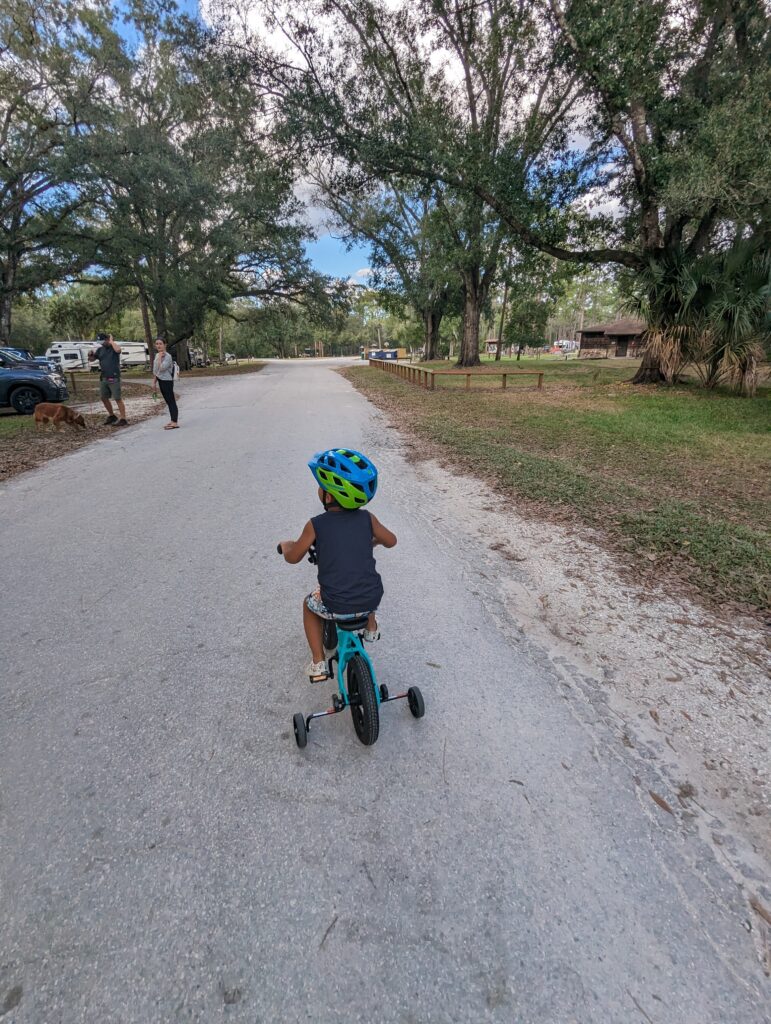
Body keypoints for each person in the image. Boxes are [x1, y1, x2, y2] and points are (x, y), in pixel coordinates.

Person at [278, 448, 397, 682]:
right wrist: (370, 542)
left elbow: (294, 556)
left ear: (329, 497)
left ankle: (318, 662)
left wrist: (286, 546)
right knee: (365, 579)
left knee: (309, 604)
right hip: (372, 598)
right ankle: (370, 629)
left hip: (335, 603)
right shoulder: (367, 519)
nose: (319, 490)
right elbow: (391, 541)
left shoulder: (316, 525)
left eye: (322, 486)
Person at [88, 332, 127, 426]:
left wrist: (112, 341)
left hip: (114, 377)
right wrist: (90, 355)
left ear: (107, 339)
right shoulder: (100, 349)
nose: (101, 343)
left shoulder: (113, 347)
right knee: (104, 397)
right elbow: (92, 359)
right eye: (100, 342)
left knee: (117, 398)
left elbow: (118, 350)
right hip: (104, 377)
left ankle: (123, 418)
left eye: (103, 341)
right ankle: (112, 416)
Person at [152, 337, 179, 430]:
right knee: (168, 401)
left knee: (171, 401)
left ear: (165, 345)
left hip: (167, 381)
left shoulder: (168, 356)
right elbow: (156, 370)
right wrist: (154, 382)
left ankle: (175, 422)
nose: (158, 345)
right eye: (157, 344)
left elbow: (162, 367)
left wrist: (160, 357)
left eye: (160, 343)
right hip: (160, 380)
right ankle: (172, 420)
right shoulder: (157, 355)